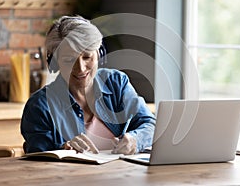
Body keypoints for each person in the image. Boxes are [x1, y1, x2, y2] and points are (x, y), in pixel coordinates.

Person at [20, 15, 156, 155]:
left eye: (87, 57)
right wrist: (63, 149)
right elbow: (37, 155)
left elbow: (150, 125)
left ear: (99, 54)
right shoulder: (40, 106)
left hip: (121, 174)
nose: (81, 68)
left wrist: (135, 140)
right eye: (69, 60)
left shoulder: (116, 83)